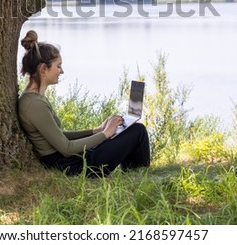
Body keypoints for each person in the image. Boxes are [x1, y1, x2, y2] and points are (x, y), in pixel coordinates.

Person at [18, 30, 150, 177]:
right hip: (73, 166)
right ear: (43, 68)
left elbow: (59, 136)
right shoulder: (34, 105)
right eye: (58, 66)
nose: (61, 71)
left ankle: (133, 174)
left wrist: (97, 130)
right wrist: (106, 134)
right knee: (138, 131)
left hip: (73, 159)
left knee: (131, 129)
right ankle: (138, 176)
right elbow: (66, 148)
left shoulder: (36, 98)